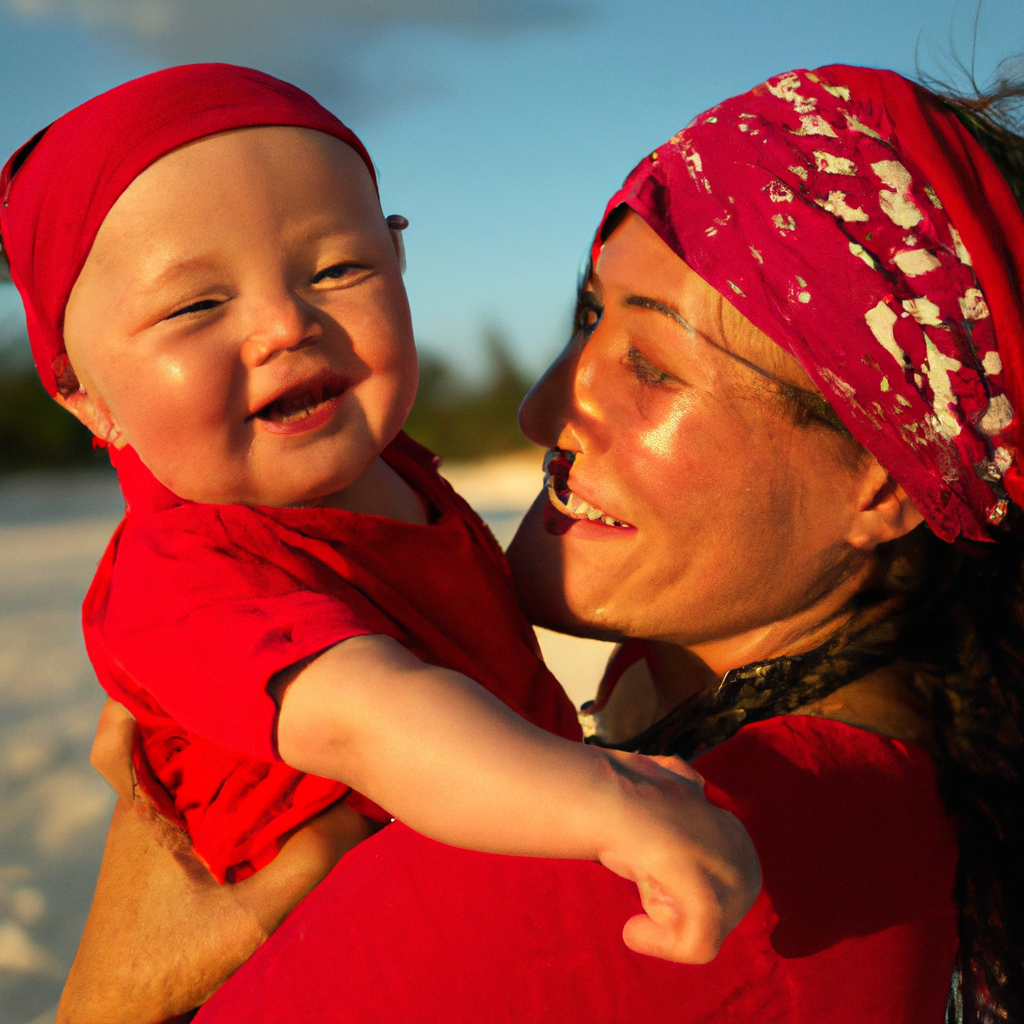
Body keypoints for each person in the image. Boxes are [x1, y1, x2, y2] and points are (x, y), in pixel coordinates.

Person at [55, 62, 1024, 1023]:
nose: (538, 410)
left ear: (888, 480)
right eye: (586, 318)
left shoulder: (627, 870)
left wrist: (111, 993)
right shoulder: (882, 796)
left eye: (648, 364)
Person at [0, 63, 761, 1017]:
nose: (286, 323)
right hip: (287, 978)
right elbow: (374, 715)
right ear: (87, 398)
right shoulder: (185, 571)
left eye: (337, 268)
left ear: (398, 258)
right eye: (196, 305)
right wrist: (603, 799)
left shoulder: (394, 469)